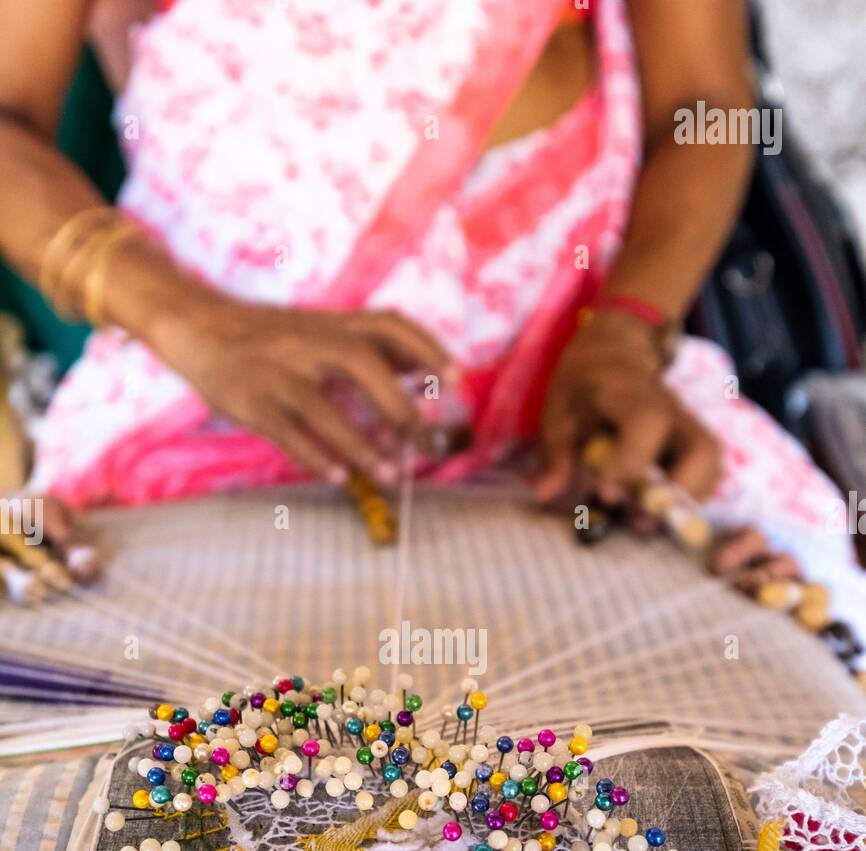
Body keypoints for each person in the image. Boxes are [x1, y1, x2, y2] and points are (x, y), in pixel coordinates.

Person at [0, 0, 863, 638]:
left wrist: (624, 338)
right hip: (188, 414)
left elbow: (705, 106)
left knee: (808, 663)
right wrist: (204, 328)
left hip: (570, 424)